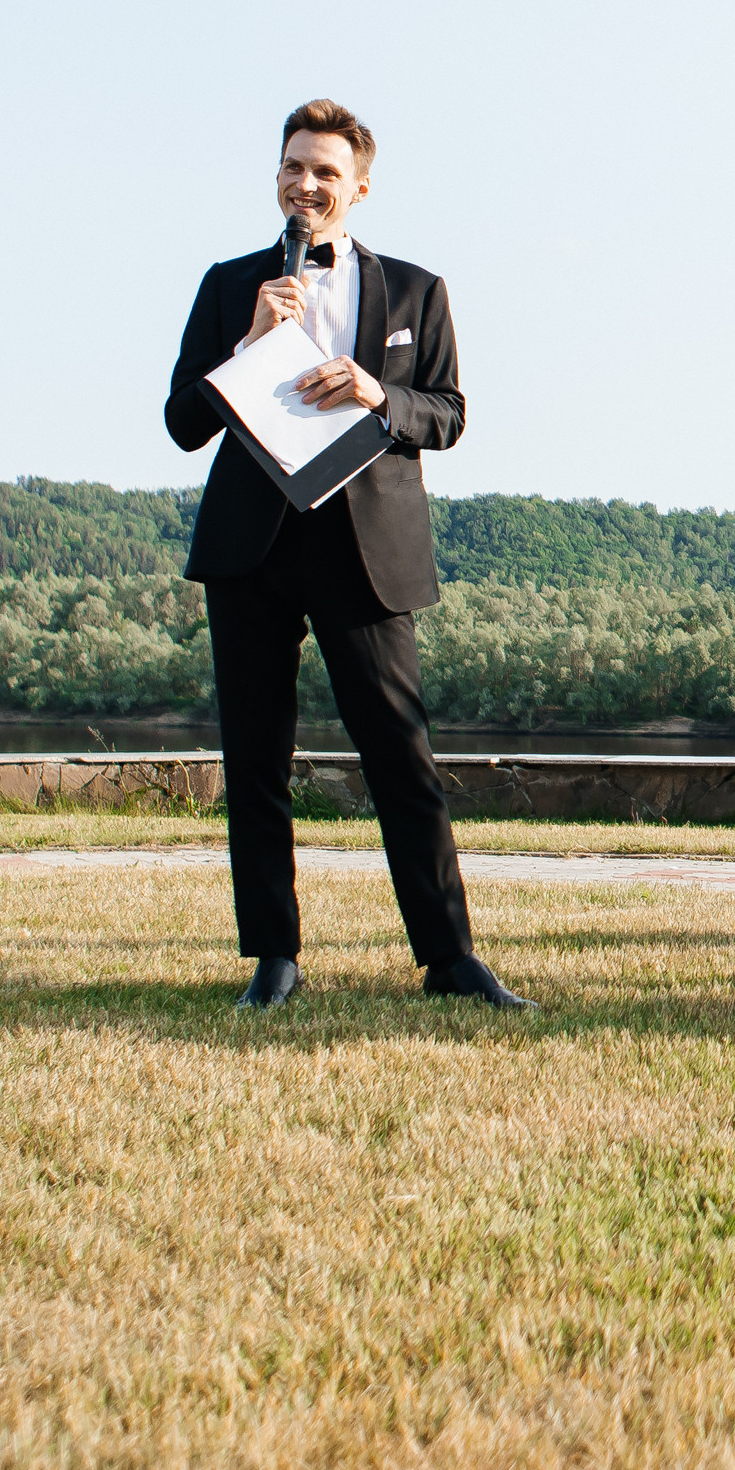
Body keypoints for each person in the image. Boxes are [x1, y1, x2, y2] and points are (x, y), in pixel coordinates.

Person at [164, 98, 524, 1012]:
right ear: (276, 178)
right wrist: (243, 348)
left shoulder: (415, 290)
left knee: (401, 754)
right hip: (253, 549)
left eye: (325, 171)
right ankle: (273, 958)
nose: (306, 183)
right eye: (293, 167)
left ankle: (450, 957)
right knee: (254, 759)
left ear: (358, 187)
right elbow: (180, 426)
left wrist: (375, 394)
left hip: (366, 551)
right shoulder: (226, 284)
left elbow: (446, 416)